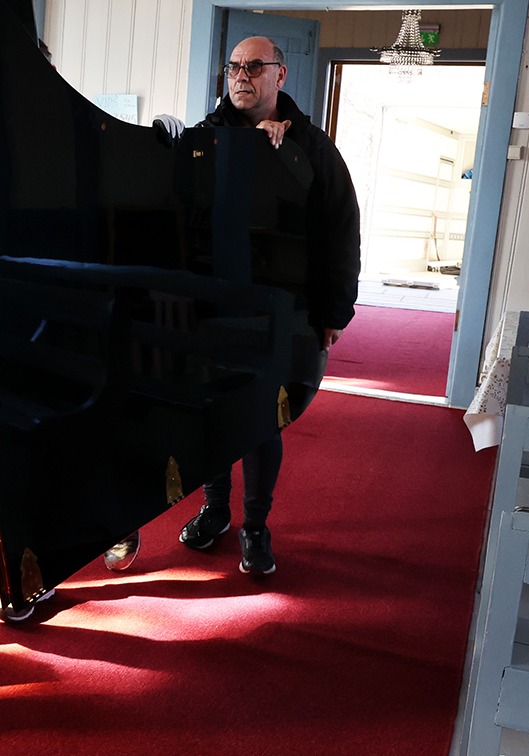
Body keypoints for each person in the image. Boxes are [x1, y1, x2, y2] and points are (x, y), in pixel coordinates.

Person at [104, 35, 360, 577]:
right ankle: (215, 509)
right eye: (234, 67)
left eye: (254, 67)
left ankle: (255, 526)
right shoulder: (203, 139)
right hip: (211, 309)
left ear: (280, 76)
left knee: (263, 420)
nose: (241, 75)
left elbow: (341, 232)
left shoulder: (312, 147)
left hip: (283, 313)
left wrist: (335, 311)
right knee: (211, 414)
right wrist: (163, 140)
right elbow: (167, 204)